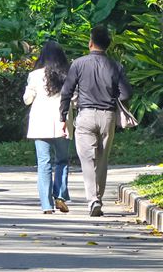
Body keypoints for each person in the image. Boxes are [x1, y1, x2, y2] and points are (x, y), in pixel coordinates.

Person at [60, 26, 131, 217]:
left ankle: (93, 200)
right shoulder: (116, 65)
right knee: (102, 159)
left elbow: (66, 92)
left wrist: (63, 117)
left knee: (87, 160)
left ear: (90, 42)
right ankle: (97, 197)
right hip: (107, 116)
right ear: (108, 45)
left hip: (85, 115)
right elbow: (125, 93)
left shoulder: (79, 64)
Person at [25, 40, 71, 214]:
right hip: (62, 122)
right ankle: (60, 195)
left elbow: (27, 99)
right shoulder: (68, 73)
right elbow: (74, 98)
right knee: (62, 161)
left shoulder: (35, 75)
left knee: (44, 163)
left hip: (40, 123)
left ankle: (46, 204)